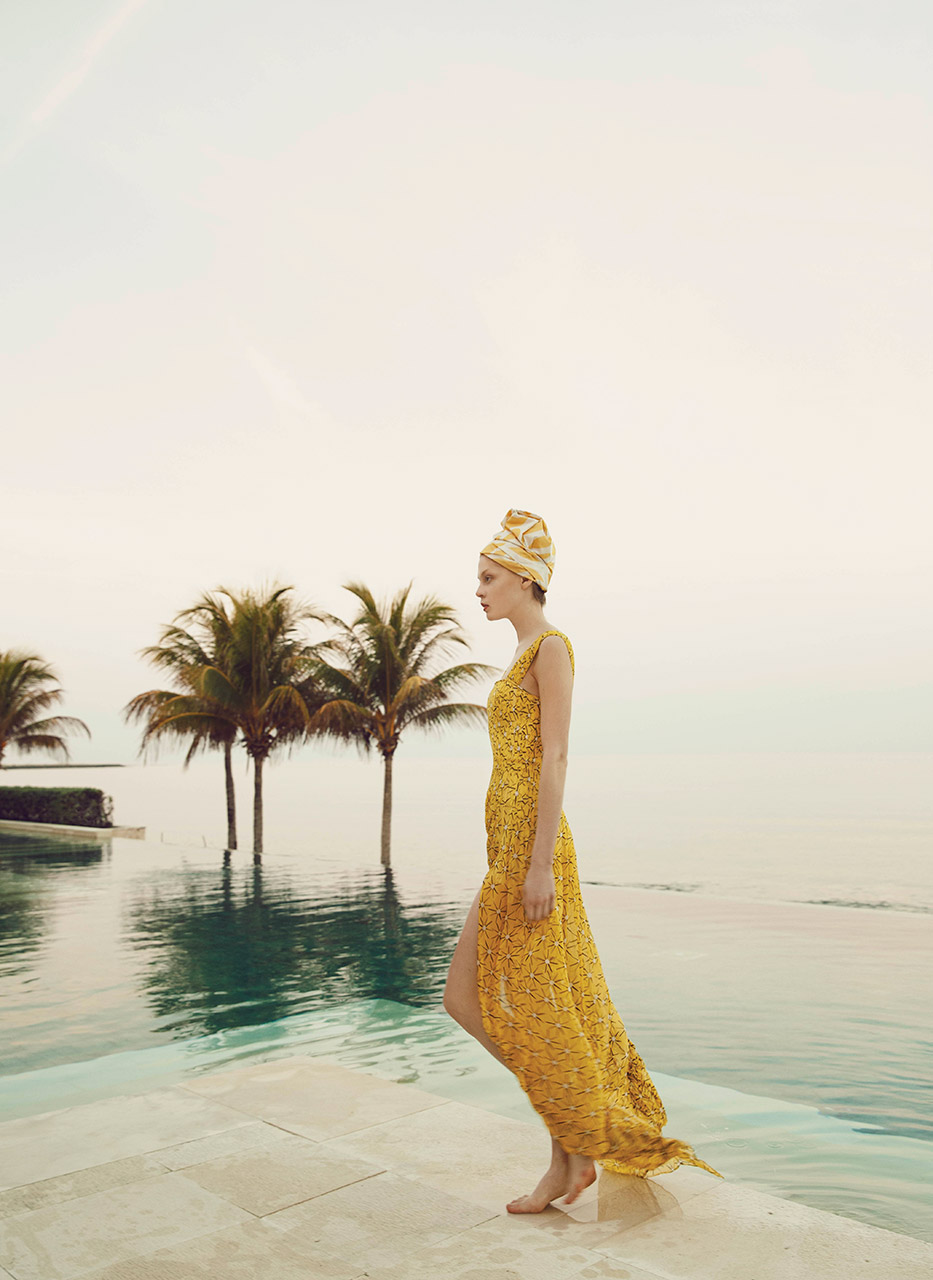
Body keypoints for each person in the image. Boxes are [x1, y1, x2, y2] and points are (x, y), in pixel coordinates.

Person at [444, 508, 721, 1214]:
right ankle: (569, 1146)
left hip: (531, 854)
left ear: (525, 578)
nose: (476, 589)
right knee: (467, 1001)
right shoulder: (518, 656)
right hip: (505, 848)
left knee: (524, 1007)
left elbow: (556, 757)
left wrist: (539, 865)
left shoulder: (551, 649)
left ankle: (566, 1154)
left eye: (487, 576)